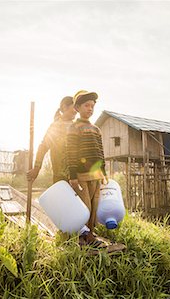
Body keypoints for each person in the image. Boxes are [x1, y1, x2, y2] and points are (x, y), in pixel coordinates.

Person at [66, 90, 107, 246]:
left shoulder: (97, 129)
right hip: (82, 175)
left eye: (92, 106)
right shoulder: (74, 128)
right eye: (86, 105)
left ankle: (90, 234)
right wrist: (73, 175)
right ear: (77, 108)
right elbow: (71, 152)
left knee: (95, 206)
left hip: (96, 175)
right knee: (85, 207)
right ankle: (81, 236)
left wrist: (103, 172)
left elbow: (101, 153)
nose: (90, 109)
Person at [27, 96, 77, 184]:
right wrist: (36, 168)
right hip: (61, 178)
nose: (76, 111)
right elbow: (43, 147)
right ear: (65, 107)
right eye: (74, 107)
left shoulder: (77, 126)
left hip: (77, 177)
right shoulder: (55, 127)